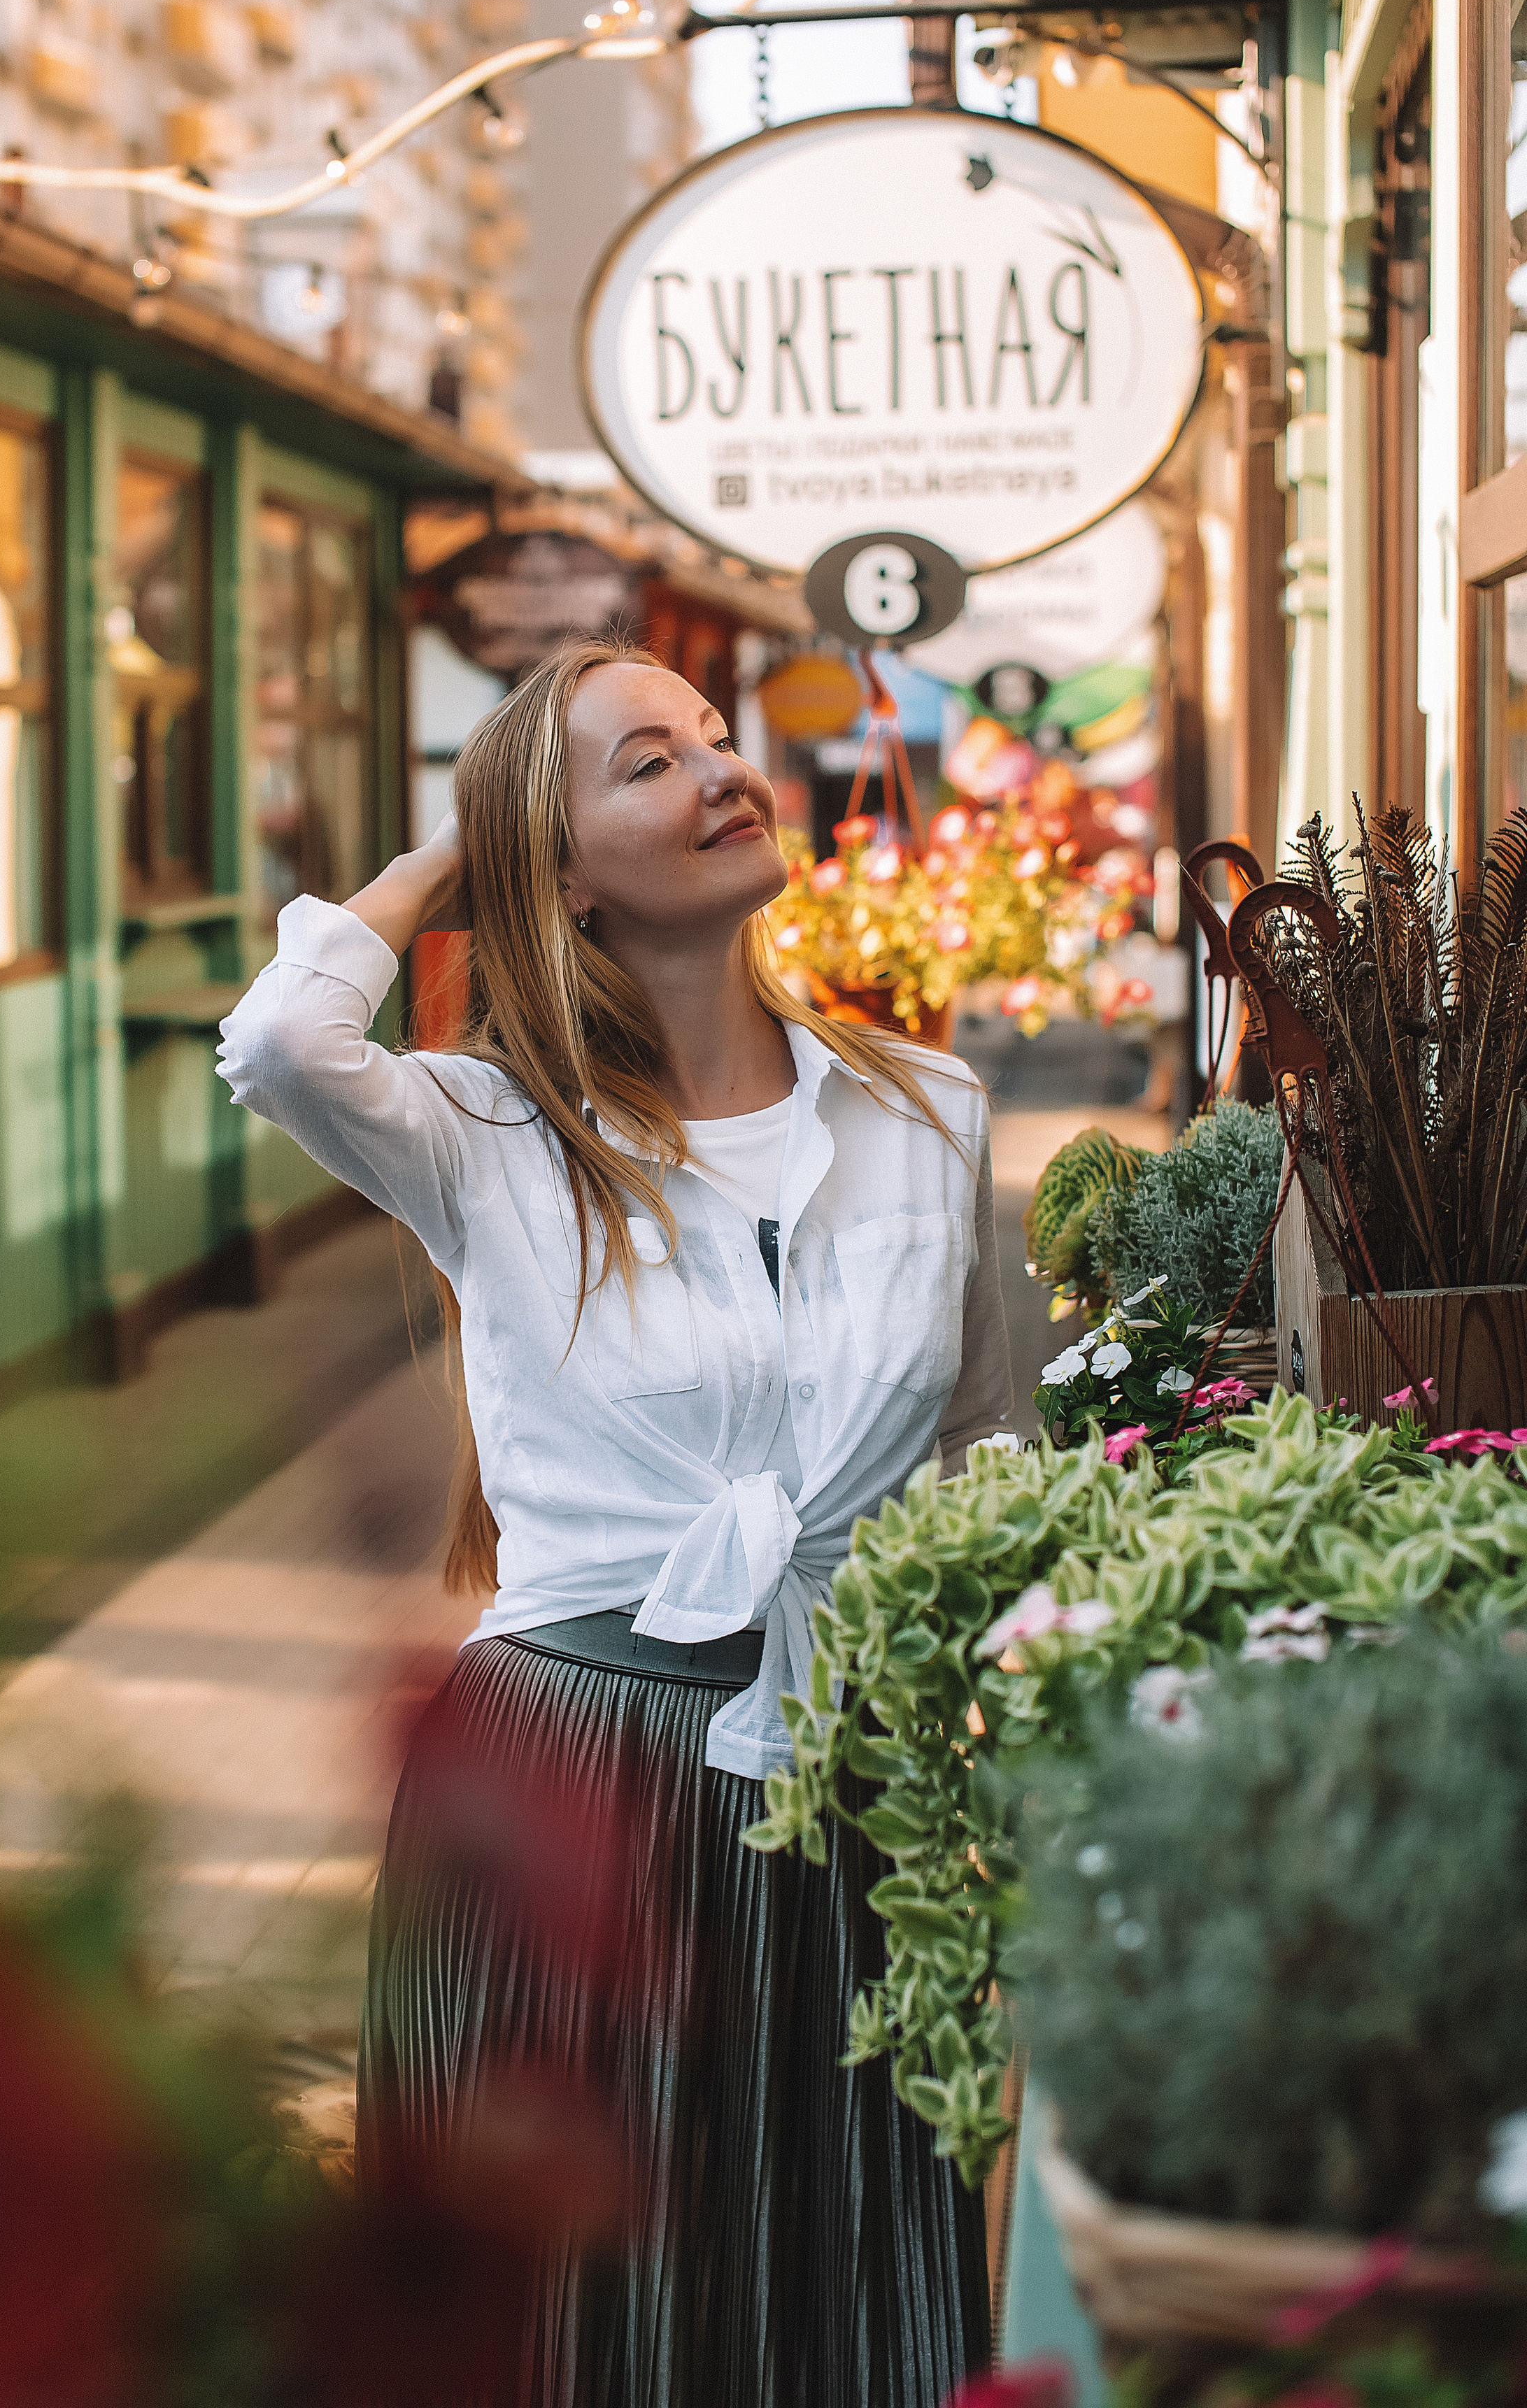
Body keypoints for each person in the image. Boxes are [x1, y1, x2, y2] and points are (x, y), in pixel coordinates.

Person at [217, 640, 1012, 2408]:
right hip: (571, 1788)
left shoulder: (925, 1114)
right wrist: (457, 852)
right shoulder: (486, 1126)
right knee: (584, 2330)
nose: (723, 772)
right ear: (556, 870)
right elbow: (277, 1039)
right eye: (646, 762)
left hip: (846, 1773)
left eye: (720, 740)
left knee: (836, 2293)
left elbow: (982, 1451)